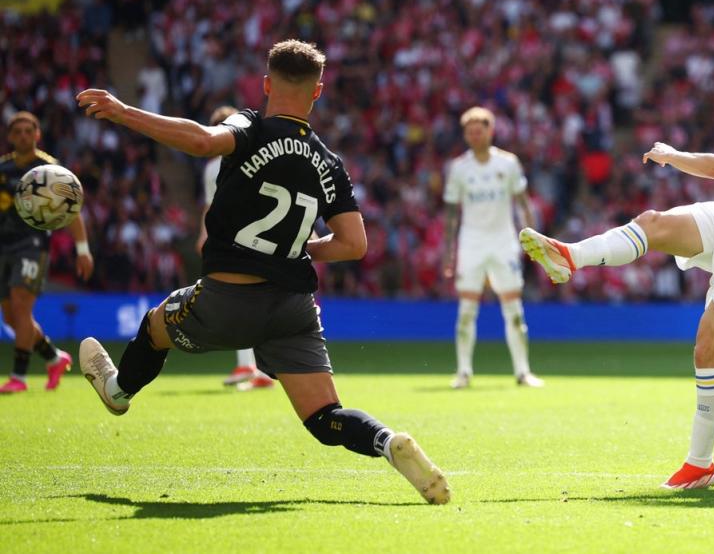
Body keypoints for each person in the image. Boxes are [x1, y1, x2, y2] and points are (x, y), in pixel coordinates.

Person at [75, 40, 450, 504]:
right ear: (317, 93)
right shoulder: (329, 163)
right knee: (324, 418)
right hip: (293, 309)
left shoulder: (249, 124)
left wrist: (124, 112)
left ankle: (116, 391)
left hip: (227, 299)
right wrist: (295, 247)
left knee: (155, 326)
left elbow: (200, 141)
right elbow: (355, 245)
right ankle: (388, 442)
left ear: (267, 84)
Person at [520, 45, 714, 489]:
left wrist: (671, 155)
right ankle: (571, 256)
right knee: (654, 223)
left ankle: (700, 463)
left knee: (709, 350)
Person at [442, 107, 544, 389]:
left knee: (513, 309)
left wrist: (534, 237)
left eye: (480, 130)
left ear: (490, 131)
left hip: (503, 241)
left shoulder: (508, 164)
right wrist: (448, 251)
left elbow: (523, 202)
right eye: (470, 132)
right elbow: (451, 214)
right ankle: (463, 372)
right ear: (465, 135)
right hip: (471, 242)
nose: (476, 136)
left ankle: (523, 371)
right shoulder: (459, 169)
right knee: (466, 310)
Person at [0, 111, 94, 394]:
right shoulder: (2, 169)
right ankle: (54, 358)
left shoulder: (50, 170)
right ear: (10, 137)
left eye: (29, 131)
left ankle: (19, 376)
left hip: (32, 246)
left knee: (21, 305)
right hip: (3, 246)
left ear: (38, 134)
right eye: (18, 132)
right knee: (13, 319)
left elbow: (72, 211)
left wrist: (82, 249)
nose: (24, 136)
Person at [196, 104, 274, 390]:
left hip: (230, 240)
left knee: (238, 301)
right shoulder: (256, 155)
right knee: (262, 299)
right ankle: (262, 369)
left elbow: (210, 206)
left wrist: (203, 236)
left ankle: (247, 365)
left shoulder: (212, 165)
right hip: (261, 236)